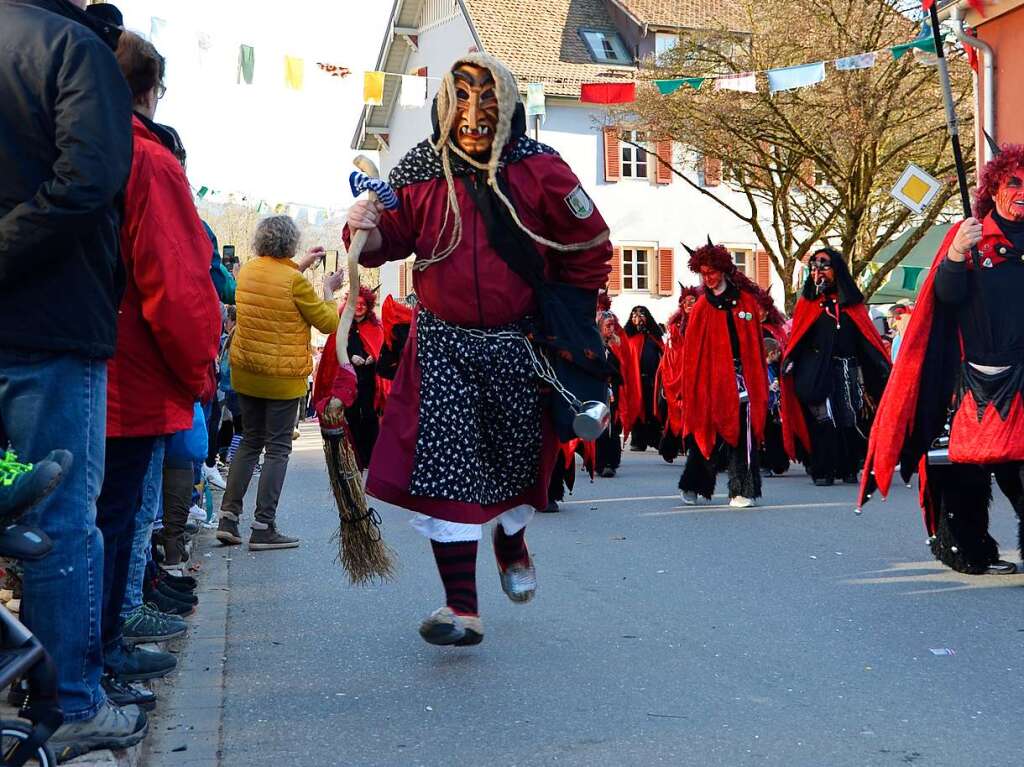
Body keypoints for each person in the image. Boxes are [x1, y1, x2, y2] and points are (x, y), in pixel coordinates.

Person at [344, 53, 610, 646]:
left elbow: (590, 243)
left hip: (519, 343)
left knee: (518, 459)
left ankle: (511, 540)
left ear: (509, 103)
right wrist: (361, 224)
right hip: (440, 343)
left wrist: (566, 314)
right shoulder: (420, 170)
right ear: (443, 103)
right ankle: (461, 608)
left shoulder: (542, 169)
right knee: (445, 468)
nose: (472, 112)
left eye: (486, 97)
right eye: (460, 97)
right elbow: (382, 244)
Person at [0, 0, 146, 757]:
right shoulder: (70, 46)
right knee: (58, 523)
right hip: (48, 330)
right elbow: (86, 179)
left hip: (36, 330)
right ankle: (74, 704)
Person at [99, 31, 220, 690]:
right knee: (117, 518)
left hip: (97, 358)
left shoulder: (82, 145)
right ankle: (101, 655)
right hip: (134, 370)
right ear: (151, 90)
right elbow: (176, 285)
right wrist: (200, 369)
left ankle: (101, 645)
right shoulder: (147, 159)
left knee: (102, 517)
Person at [861, 144, 1024, 575]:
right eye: (1014, 183)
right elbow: (944, 298)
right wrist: (955, 255)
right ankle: (971, 551)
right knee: (969, 470)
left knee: (1020, 471)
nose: (1022, 192)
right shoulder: (969, 238)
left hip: (1022, 374)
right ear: (994, 188)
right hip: (974, 378)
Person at [215, 218, 343, 550]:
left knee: (248, 442)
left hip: (247, 371)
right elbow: (328, 322)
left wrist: (302, 266)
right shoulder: (293, 283)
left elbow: (277, 285)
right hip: (281, 378)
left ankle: (228, 519)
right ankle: (263, 525)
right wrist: (328, 291)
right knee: (278, 448)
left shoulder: (249, 273)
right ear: (290, 242)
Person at [780, 248, 890, 486]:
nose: (818, 272)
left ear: (836, 270)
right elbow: (798, 337)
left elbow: (866, 338)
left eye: (824, 267)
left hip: (846, 367)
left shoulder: (852, 306)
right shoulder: (807, 305)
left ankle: (848, 467)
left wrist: (880, 363)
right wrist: (790, 360)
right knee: (823, 418)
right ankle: (823, 469)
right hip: (816, 369)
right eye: (814, 268)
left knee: (847, 417)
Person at [678, 240, 768, 508]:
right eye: (703, 274)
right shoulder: (702, 308)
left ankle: (742, 489)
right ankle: (694, 484)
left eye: (712, 273)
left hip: (741, 377)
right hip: (710, 380)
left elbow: (755, 347)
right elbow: (692, 353)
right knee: (706, 432)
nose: (708, 279)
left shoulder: (747, 303)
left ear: (724, 271)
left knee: (743, 432)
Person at [314, 286, 384, 469]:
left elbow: (381, 350)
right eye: (356, 304)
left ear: (368, 306)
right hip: (348, 382)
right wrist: (350, 358)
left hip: (369, 381)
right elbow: (335, 353)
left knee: (370, 416)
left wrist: (373, 357)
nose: (359, 307)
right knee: (351, 416)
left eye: (363, 304)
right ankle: (355, 456)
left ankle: (372, 457)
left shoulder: (376, 328)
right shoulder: (342, 327)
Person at [657, 286, 701, 462]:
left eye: (693, 301)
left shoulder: (704, 321)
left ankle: (694, 447)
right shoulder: (676, 326)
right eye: (686, 301)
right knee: (675, 412)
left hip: (697, 373)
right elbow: (674, 352)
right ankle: (671, 447)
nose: (689, 304)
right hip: (677, 374)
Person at [622, 306, 665, 452]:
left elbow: (665, 355)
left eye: (641, 315)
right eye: (634, 316)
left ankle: (655, 439)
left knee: (652, 409)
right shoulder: (627, 337)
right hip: (634, 380)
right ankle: (638, 440)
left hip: (653, 379)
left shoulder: (654, 337)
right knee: (636, 408)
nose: (637, 318)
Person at [595, 312, 625, 478]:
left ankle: (611, 462)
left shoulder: (615, 345)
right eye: (608, 325)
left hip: (615, 391)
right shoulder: (596, 346)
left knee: (613, 426)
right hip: (601, 390)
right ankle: (603, 463)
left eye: (613, 325)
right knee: (602, 427)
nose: (611, 328)